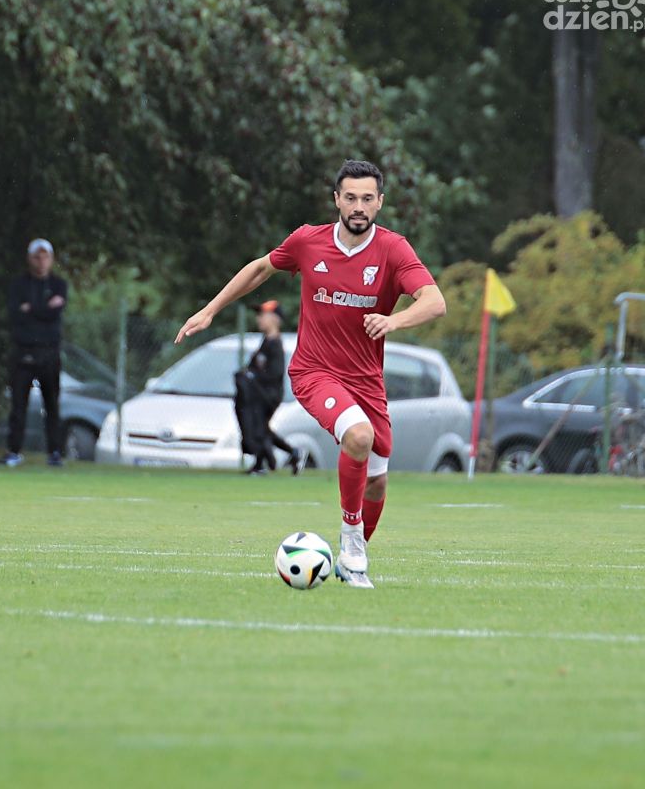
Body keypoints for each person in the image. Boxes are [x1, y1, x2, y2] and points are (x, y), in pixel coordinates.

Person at [176, 160, 446, 589]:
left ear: (380, 202)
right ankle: (353, 547)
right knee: (359, 436)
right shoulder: (307, 241)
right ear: (337, 199)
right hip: (313, 371)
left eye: (367, 199)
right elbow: (260, 268)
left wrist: (393, 321)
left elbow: (434, 301)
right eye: (350, 197)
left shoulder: (394, 250)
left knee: (376, 483)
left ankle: (351, 556)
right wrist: (210, 310)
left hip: (366, 380)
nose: (358, 207)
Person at [2, 238, 67, 467]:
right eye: (37, 257)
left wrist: (31, 309)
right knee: (18, 405)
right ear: (30, 259)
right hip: (23, 353)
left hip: (49, 353)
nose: (41, 261)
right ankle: (14, 451)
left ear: (51, 259)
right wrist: (44, 308)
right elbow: (16, 314)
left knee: (52, 404)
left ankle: (55, 452)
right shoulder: (19, 285)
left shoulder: (58, 285)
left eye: (45, 257)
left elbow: (52, 314)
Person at [235, 300, 302, 475]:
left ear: (275, 319)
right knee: (261, 428)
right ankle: (290, 453)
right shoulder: (265, 342)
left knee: (259, 427)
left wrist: (253, 377)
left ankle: (264, 462)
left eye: (263, 315)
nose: (259, 319)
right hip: (260, 394)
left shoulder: (275, 344)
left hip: (268, 395)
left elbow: (275, 373)